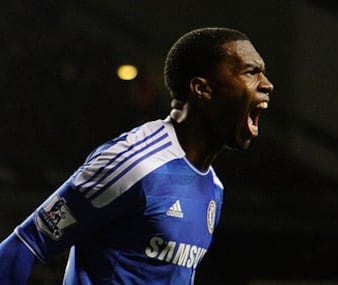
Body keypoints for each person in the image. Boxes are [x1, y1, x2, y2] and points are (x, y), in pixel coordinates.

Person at [0, 26, 274, 284]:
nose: (267, 84)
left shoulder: (213, 187)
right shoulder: (135, 163)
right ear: (202, 89)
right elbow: (24, 246)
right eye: (251, 72)